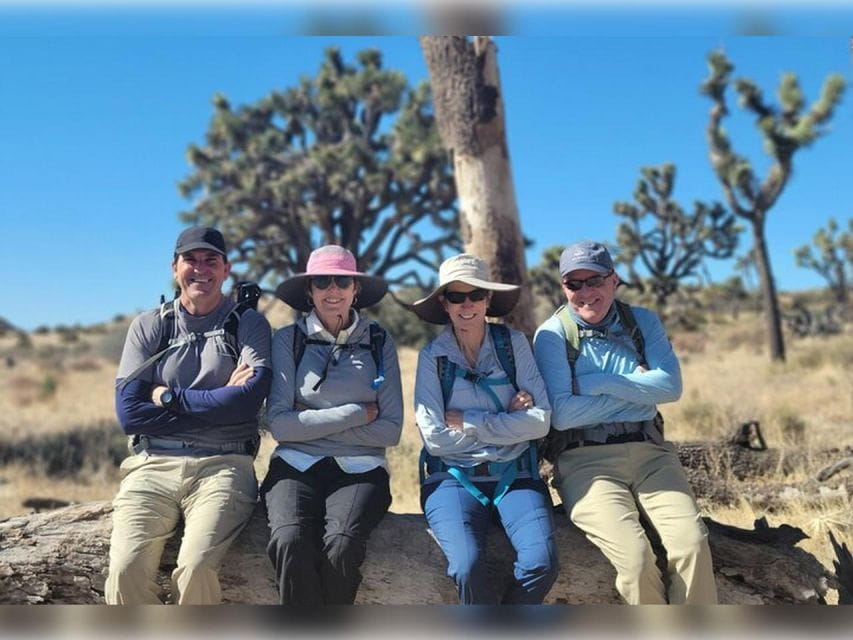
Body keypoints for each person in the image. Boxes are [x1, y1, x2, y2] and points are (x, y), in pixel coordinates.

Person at [533, 240, 717, 604]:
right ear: (563, 287)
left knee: (692, 544)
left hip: (652, 454)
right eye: (574, 283)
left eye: (595, 280)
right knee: (635, 558)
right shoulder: (552, 335)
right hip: (585, 462)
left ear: (614, 279)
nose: (585, 292)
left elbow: (670, 387)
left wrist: (595, 384)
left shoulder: (642, 321)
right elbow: (564, 414)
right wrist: (638, 391)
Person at [106, 226, 272, 604]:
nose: (201, 269)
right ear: (174, 268)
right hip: (152, 465)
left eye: (210, 260)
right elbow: (130, 414)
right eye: (190, 260)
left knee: (196, 568)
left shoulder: (247, 324)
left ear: (226, 268)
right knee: (124, 571)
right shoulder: (151, 325)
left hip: (225, 464)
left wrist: (164, 397)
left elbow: (247, 403)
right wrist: (220, 399)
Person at [411, 253, 559, 605]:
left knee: (543, 563)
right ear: (444, 303)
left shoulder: (514, 344)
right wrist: (509, 420)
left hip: (516, 474)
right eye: (456, 297)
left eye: (475, 295)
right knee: (466, 565)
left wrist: (470, 420)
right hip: (453, 478)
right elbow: (434, 438)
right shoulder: (432, 357)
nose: (467, 305)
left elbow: (541, 421)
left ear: (488, 300)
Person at [263, 245, 403, 605]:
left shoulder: (377, 340)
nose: (332, 290)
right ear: (309, 290)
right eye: (322, 281)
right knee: (289, 539)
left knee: (341, 545)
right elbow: (279, 426)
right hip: (295, 463)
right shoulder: (288, 340)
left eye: (342, 280)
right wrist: (357, 413)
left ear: (355, 289)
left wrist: (306, 420)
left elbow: (390, 429)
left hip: (361, 468)